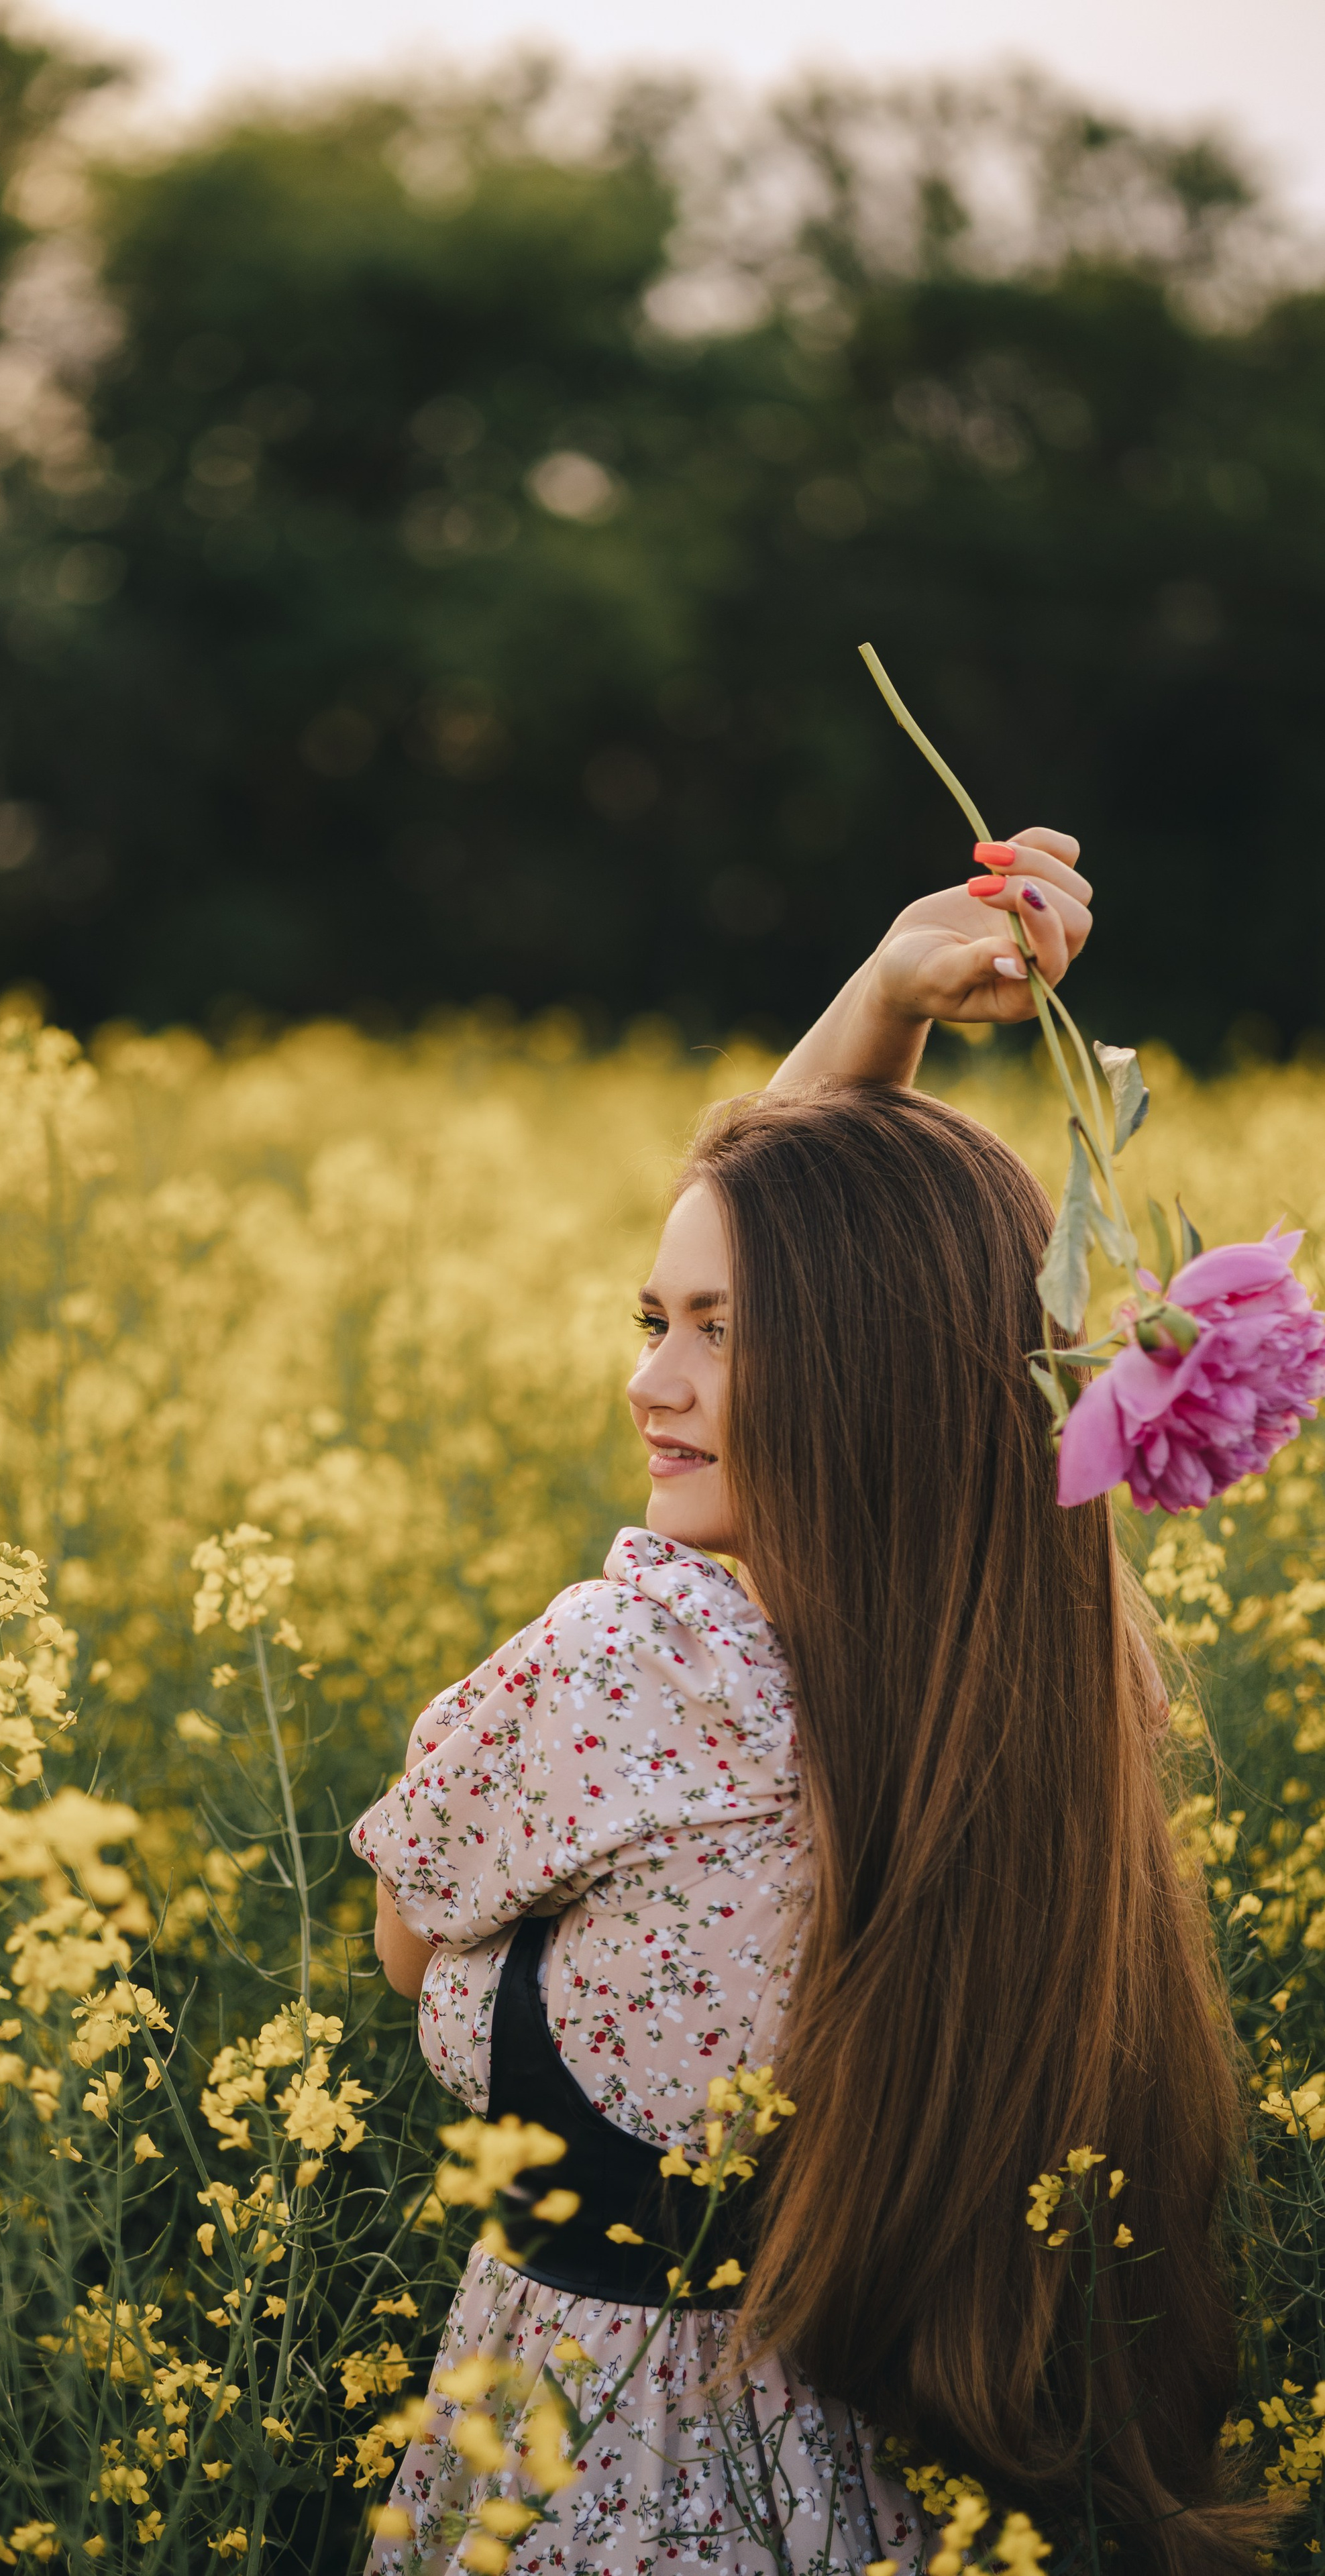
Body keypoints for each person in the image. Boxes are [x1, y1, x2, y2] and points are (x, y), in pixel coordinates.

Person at [352, 832, 1265, 2576]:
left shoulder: (617, 1673)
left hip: (588, 2475)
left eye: (707, 1333)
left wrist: (880, 998)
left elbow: (407, 1937)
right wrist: (885, 1009)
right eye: (650, 1319)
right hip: (876, 2472)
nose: (647, 1380)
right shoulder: (1050, 1677)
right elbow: (843, 1288)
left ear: (847, 1372)